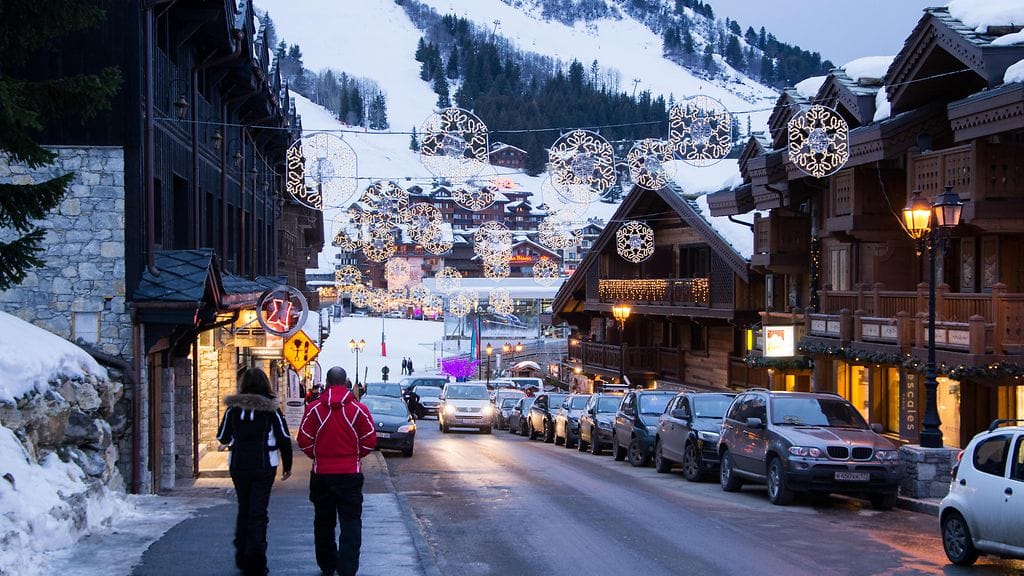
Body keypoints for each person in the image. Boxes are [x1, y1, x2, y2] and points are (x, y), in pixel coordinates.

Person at [297, 367, 376, 576]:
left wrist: (316, 455)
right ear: (346, 383)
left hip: (322, 474)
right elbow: (370, 439)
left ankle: (327, 564)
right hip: (350, 474)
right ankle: (347, 568)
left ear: (328, 384)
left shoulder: (314, 409)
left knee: (323, 522)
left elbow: (303, 439)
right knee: (351, 522)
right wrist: (356, 456)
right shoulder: (359, 410)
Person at [217, 367, 293, 576]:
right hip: (264, 464)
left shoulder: (233, 409)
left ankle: (242, 554)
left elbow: (222, 436)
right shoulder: (271, 409)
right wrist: (288, 465)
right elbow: (284, 438)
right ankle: (256, 561)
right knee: (258, 512)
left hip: (239, 465)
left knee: (244, 507)